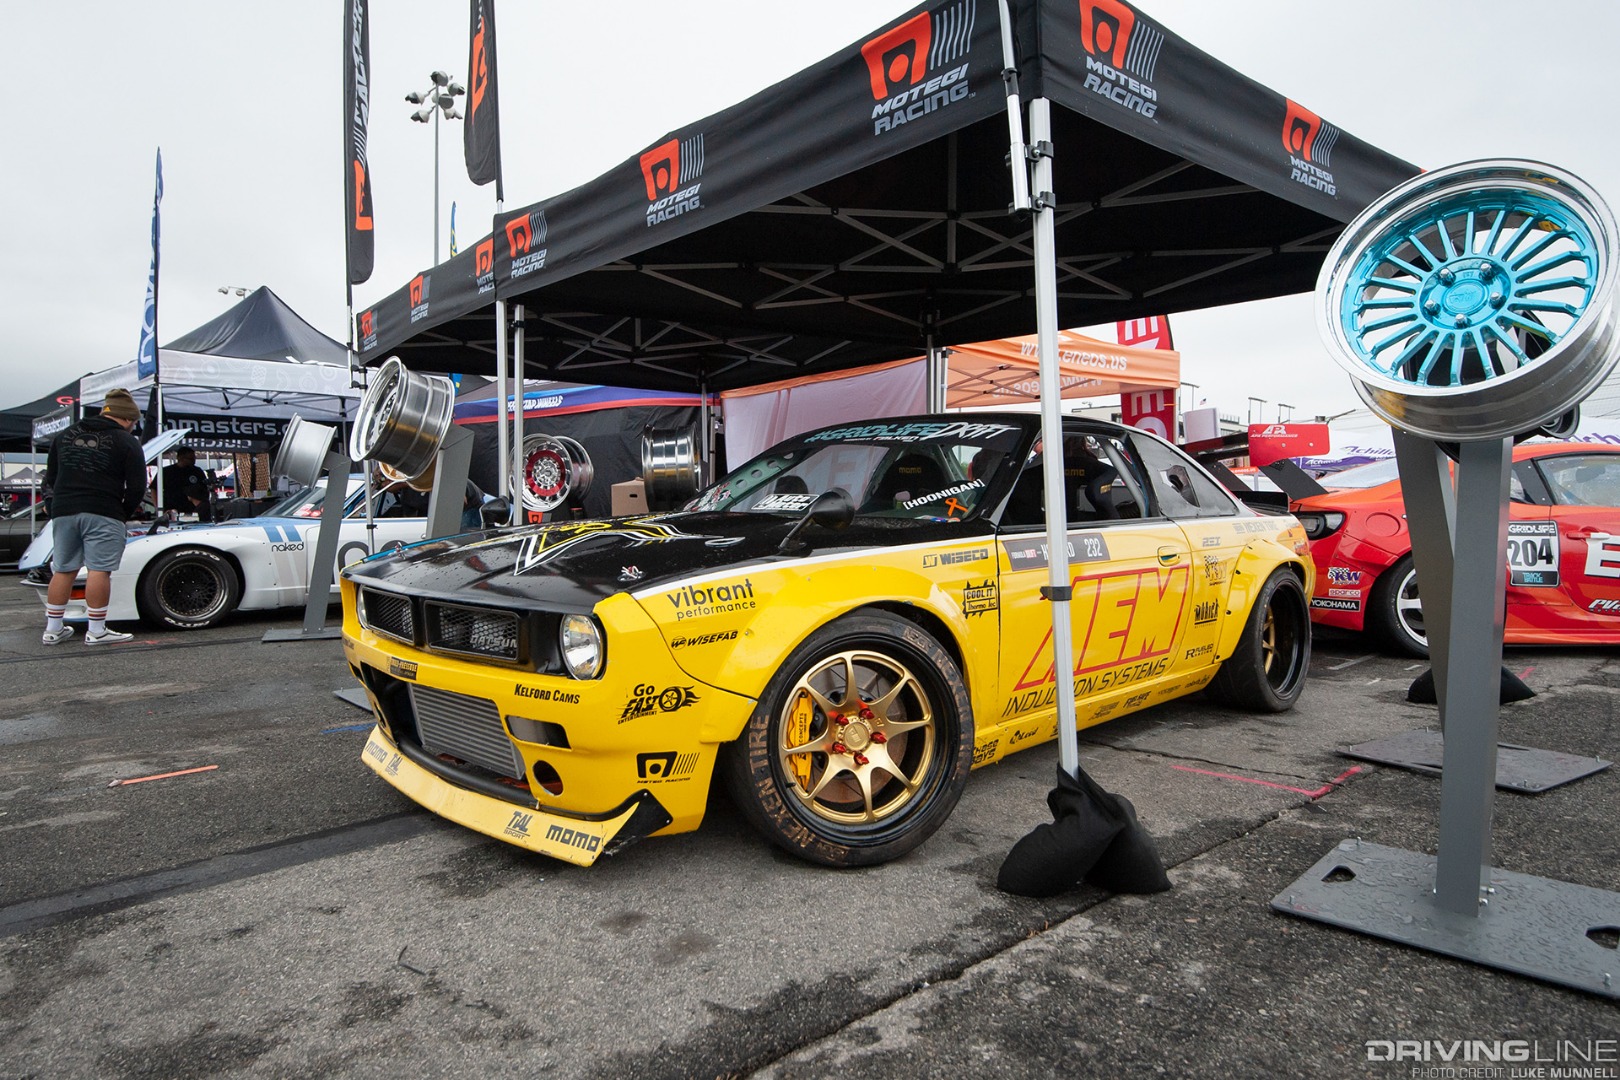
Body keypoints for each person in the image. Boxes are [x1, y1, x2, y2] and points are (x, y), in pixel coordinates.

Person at [41, 388, 147, 645]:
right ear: (127, 418)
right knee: (99, 570)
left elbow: (50, 478)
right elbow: (137, 486)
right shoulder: (126, 441)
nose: (133, 426)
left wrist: (53, 505)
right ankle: (97, 630)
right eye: (133, 422)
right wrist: (122, 513)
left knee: (63, 569)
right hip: (103, 510)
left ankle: (53, 629)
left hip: (64, 511)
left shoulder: (64, 436)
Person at [155, 445, 210, 516]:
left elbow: (205, 489)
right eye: (190, 459)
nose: (194, 461)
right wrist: (158, 508)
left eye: (194, 459)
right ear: (180, 458)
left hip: (193, 511)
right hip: (171, 510)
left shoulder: (197, 471)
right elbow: (154, 489)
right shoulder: (166, 471)